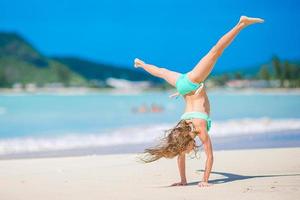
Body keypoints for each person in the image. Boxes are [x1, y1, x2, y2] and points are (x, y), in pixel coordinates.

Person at [134, 16, 264, 187]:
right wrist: (183, 180)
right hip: (183, 87)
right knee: (161, 72)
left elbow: (210, 155)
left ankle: (241, 23)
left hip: (193, 83)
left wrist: (205, 181)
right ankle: (141, 64)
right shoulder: (182, 129)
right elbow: (180, 156)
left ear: (188, 141)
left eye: (186, 149)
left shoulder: (199, 128)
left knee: (215, 51)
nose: (186, 152)